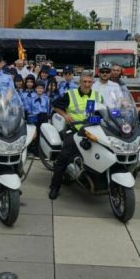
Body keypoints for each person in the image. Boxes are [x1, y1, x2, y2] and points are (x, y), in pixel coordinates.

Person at [48, 72, 102, 200]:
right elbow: (54, 105)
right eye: (84, 81)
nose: (87, 84)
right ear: (80, 82)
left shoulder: (98, 96)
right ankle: (54, 187)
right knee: (63, 157)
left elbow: (104, 111)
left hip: (94, 131)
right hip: (75, 130)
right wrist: (65, 115)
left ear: (92, 83)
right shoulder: (70, 94)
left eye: (89, 82)